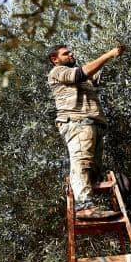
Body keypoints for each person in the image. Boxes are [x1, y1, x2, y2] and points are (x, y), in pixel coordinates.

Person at [47, 44, 125, 218]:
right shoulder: (58, 72)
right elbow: (81, 73)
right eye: (66, 53)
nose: (71, 54)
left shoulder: (82, 78)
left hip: (93, 124)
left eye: (70, 52)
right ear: (55, 59)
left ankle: (91, 205)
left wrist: (113, 56)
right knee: (81, 162)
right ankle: (84, 207)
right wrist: (109, 54)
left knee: (92, 168)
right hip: (77, 122)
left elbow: (92, 75)